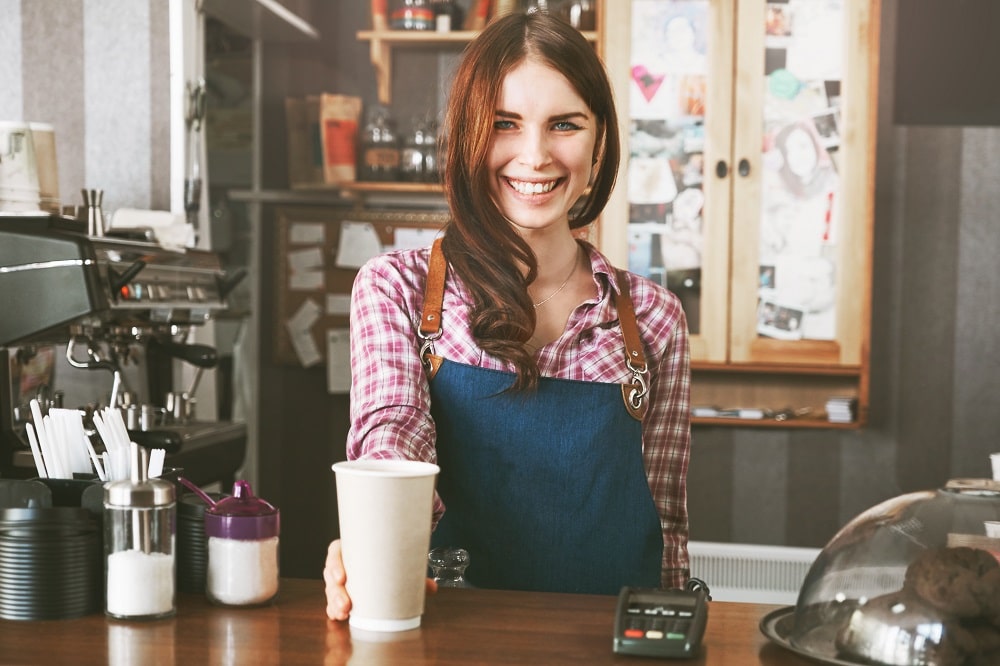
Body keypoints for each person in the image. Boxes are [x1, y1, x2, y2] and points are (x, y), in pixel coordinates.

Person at [325, 11, 691, 622]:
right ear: (469, 135)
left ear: (599, 142)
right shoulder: (398, 288)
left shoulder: (653, 318)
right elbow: (393, 432)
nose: (535, 155)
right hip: (452, 641)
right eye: (504, 124)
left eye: (564, 125)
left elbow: (668, 521)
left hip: (609, 649)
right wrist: (377, 525)